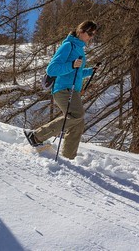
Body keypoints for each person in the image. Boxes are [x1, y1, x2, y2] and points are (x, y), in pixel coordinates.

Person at [24, 20, 98, 159]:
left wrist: (90, 71)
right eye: (89, 33)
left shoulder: (79, 49)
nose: (91, 37)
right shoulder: (68, 45)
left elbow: (77, 73)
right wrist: (72, 65)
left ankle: (68, 157)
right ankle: (36, 136)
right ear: (81, 31)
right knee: (77, 115)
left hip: (72, 90)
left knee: (77, 124)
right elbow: (52, 69)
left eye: (93, 34)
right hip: (63, 89)